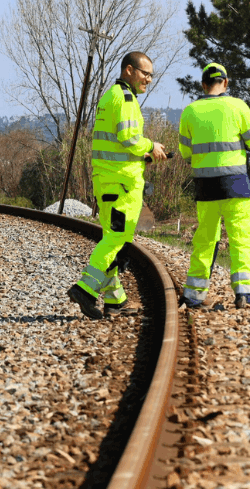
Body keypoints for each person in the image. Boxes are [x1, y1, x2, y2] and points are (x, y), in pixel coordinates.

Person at [67, 51, 167, 320]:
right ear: (129, 70)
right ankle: (86, 288)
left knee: (114, 236)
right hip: (121, 183)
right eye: (145, 73)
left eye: (151, 75)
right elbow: (129, 136)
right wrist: (151, 146)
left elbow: (119, 143)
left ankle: (115, 299)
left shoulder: (112, 96)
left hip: (112, 179)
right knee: (116, 238)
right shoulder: (125, 98)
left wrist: (142, 156)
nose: (149, 79)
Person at [178, 62, 250, 309]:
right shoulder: (237, 106)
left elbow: (185, 152)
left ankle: (193, 295)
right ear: (225, 83)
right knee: (242, 237)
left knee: (205, 239)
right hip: (235, 186)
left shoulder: (190, 111)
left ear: (204, 85)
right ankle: (243, 294)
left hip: (205, 188)